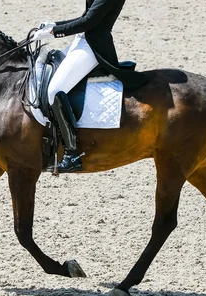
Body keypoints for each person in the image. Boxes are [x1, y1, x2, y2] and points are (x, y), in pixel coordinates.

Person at [31, 0, 149, 173]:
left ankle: (72, 154)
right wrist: (55, 24)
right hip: (82, 40)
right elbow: (86, 16)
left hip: (93, 46)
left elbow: (90, 21)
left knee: (54, 91)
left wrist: (54, 32)